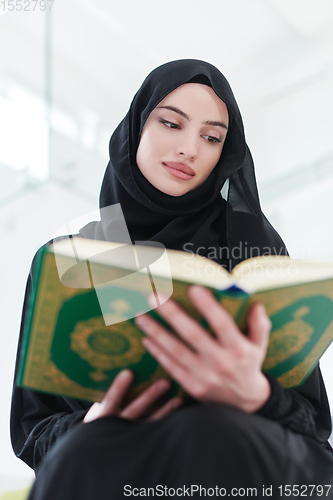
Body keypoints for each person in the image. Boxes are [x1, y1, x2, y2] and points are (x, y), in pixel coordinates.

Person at [11, 60, 333, 499]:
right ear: (138, 126)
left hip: (238, 449)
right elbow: (35, 430)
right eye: (170, 123)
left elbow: (311, 423)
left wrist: (256, 394)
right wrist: (95, 418)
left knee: (215, 433)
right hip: (114, 456)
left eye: (212, 137)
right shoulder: (75, 256)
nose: (189, 149)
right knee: (81, 454)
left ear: (227, 151)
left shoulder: (253, 243)